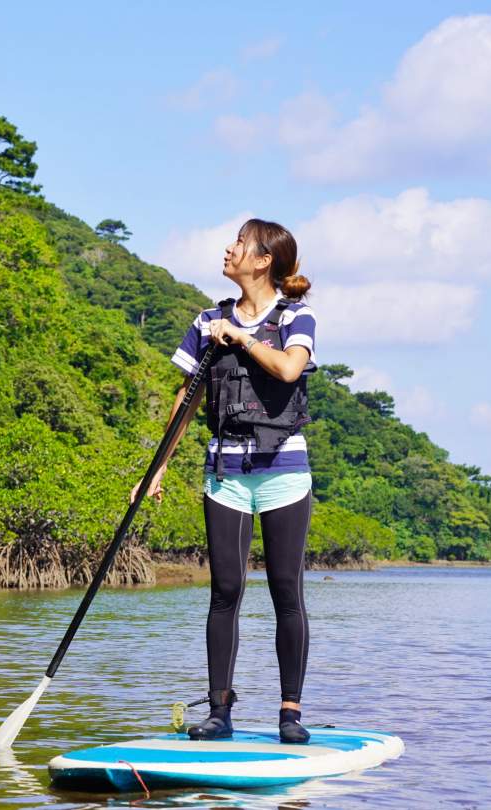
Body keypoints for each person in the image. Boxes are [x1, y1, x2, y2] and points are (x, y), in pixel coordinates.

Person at [131, 218, 316, 744]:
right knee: (225, 591)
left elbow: (287, 370)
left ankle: (290, 713)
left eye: (239, 243)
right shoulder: (206, 320)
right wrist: (158, 466)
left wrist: (239, 337)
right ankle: (219, 712)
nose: (228, 248)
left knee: (286, 591)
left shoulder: (297, 318)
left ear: (263, 261)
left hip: (283, 471)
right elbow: (185, 400)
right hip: (225, 472)